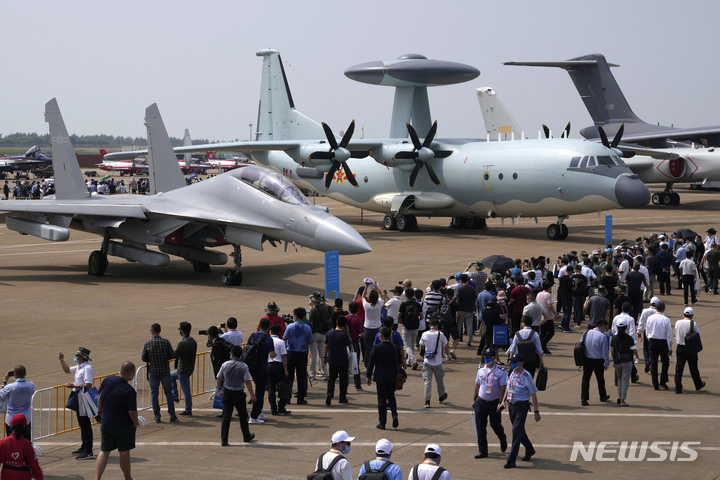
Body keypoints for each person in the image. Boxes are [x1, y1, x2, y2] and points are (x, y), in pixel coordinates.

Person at [94, 361, 138, 480]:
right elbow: (132, 412)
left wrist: (99, 413)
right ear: (129, 374)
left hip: (106, 422)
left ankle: (97, 478)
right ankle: (128, 478)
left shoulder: (108, 380)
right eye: (134, 372)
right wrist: (135, 423)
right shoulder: (129, 391)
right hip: (123, 426)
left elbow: (100, 398)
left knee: (104, 451)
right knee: (124, 452)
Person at [499, 354, 541, 469]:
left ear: (521, 363)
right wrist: (503, 401)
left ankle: (511, 460)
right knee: (519, 431)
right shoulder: (512, 372)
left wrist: (536, 412)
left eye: (515, 361)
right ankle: (530, 449)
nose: (512, 363)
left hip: (522, 406)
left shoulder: (526, 376)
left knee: (516, 432)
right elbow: (508, 387)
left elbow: (533, 394)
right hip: (511, 405)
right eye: (511, 361)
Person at [59, 347, 95, 460]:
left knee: (85, 425)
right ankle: (84, 447)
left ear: (82, 357)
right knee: (82, 423)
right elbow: (67, 370)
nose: (76, 357)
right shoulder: (80, 367)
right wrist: (61, 360)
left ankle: (88, 451)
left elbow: (88, 385)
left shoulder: (87, 368)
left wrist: (74, 386)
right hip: (78, 395)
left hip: (82, 396)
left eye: (78, 356)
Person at [216, 345, 257, 445]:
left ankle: (224, 439)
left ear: (232, 354)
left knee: (226, 417)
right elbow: (247, 381)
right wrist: (252, 395)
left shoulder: (225, 364)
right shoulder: (243, 366)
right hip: (238, 393)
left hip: (228, 392)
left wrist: (219, 390)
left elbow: (219, 377)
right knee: (243, 416)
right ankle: (246, 436)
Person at [472, 348, 508, 459]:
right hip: (482, 402)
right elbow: (477, 385)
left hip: (494, 402)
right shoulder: (481, 370)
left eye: (489, 357)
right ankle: (483, 451)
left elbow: (503, 387)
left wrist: (500, 402)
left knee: (495, 424)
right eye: (485, 357)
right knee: (480, 427)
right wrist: (474, 399)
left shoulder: (501, 371)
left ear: (494, 358)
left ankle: (502, 438)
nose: (487, 359)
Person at [366, 327, 403, 430]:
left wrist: (368, 375)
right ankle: (394, 415)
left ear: (380, 336)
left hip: (380, 377)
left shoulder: (376, 348)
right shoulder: (394, 347)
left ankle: (382, 422)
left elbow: (371, 363)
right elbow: (399, 361)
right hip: (392, 376)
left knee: (381, 400)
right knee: (391, 396)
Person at [141, 323, 177, 424]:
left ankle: (157, 416)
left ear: (152, 331)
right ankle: (172, 415)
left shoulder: (148, 343)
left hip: (153, 371)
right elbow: (172, 355)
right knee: (168, 393)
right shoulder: (165, 342)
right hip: (165, 371)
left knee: (154, 394)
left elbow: (144, 358)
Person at [248, 318, 276, 424]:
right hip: (262, 368)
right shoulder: (268, 339)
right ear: (268, 327)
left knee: (258, 390)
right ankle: (254, 416)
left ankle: (258, 411)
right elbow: (272, 354)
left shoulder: (252, 335)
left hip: (252, 367)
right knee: (259, 392)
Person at [284, 307, 314, 405]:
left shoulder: (290, 326)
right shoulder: (307, 327)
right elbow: (310, 341)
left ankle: (287, 398)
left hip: (291, 353)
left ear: (295, 316)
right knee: (301, 377)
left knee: (289, 376)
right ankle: (300, 399)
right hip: (302, 353)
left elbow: (284, 338)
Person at [0, 414, 44, 479]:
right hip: (23, 476)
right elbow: (34, 465)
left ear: (11, 426)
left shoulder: (3, 442)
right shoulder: (27, 444)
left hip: (7, 476)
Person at [674, 307, 706, 393]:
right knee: (693, 368)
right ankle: (698, 384)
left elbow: (675, 332)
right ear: (692, 315)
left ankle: (678, 387)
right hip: (690, 348)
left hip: (680, 347)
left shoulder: (678, 322)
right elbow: (698, 334)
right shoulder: (693, 324)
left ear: (684, 314)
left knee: (679, 368)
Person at [419, 318, 449, 408]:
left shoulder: (424, 334)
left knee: (427, 381)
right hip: (437, 362)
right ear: (437, 325)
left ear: (429, 325)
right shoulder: (440, 334)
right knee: (439, 381)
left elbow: (422, 345)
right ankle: (441, 396)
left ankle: (427, 400)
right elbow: (446, 343)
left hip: (427, 361)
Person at [581, 319, 611, 406]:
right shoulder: (602, 337)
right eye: (606, 327)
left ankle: (584, 398)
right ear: (602, 326)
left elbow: (581, 344)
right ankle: (602, 395)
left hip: (587, 359)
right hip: (598, 361)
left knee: (586, 379)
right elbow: (605, 352)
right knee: (600, 379)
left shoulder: (586, 333)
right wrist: (607, 363)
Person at [324, 316, 352, 406]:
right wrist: (348, 333)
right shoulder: (344, 335)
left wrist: (325, 356)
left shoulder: (329, 333)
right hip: (343, 360)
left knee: (332, 378)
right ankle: (342, 397)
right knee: (343, 379)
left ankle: (329, 393)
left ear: (336, 322)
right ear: (345, 325)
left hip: (332, 359)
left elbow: (326, 346)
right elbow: (350, 345)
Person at [1, 366, 35, 439]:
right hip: (25, 419)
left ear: (14, 375)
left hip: (11, 419)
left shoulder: (9, 387)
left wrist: (4, 382)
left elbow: (1, 395)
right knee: (26, 442)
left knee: (11, 442)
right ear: (25, 374)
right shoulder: (31, 385)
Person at [170, 322, 197, 416]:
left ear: (181, 331)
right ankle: (175, 395)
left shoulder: (183, 343)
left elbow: (174, 354)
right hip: (189, 367)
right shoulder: (193, 341)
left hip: (182, 369)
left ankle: (188, 409)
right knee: (171, 376)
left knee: (186, 391)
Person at [646, 301, 673, 390]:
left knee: (653, 363)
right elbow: (669, 335)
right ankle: (663, 380)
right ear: (663, 309)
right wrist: (670, 347)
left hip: (652, 342)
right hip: (662, 342)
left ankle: (655, 384)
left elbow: (647, 331)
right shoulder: (666, 319)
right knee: (665, 362)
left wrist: (649, 340)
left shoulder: (650, 318)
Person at [610, 321, 637, 406]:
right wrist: (637, 357)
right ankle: (622, 400)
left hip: (618, 361)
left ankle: (619, 395)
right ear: (625, 327)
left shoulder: (614, 338)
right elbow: (633, 349)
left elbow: (612, 351)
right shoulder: (629, 338)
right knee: (625, 380)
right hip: (627, 361)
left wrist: (614, 360)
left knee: (620, 379)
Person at [267, 323, 290, 415]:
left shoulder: (267, 341)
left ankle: (273, 408)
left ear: (270, 331)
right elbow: (284, 357)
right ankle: (281, 406)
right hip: (278, 365)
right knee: (284, 386)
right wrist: (285, 370)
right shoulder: (281, 342)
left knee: (271, 388)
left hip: (268, 365)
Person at [309, 291, 332, 380]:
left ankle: (312, 374)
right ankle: (325, 373)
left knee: (313, 356)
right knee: (322, 355)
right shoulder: (325, 308)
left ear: (313, 300)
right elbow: (329, 320)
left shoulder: (313, 310)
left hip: (315, 334)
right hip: (323, 334)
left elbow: (311, 323)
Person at [362, 280, 385, 366]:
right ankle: (378, 364)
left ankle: (368, 365)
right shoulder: (379, 305)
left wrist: (366, 286)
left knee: (368, 349)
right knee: (378, 347)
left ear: (370, 299)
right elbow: (380, 293)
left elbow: (363, 296)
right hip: (377, 328)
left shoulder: (366, 306)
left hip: (367, 328)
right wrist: (375, 286)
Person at [397, 288, 421, 370]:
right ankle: (409, 361)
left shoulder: (403, 304)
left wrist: (401, 320)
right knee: (412, 344)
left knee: (407, 345)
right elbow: (421, 317)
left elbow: (398, 316)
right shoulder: (417, 304)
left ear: (406, 295)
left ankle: (413, 361)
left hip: (406, 326)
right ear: (413, 295)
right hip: (416, 326)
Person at [345, 301, 365, 390]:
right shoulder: (359, 320)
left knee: (345, 365)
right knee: (355, 365)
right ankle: (358, 385)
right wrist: (358, 337)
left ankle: (345, 385)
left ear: (349, 309)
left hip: (345, 344)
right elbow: (362, 334)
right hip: (355, 344)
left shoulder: (345, 318)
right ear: (357, 310)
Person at [455, 273, 477, 346]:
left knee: (459, 326)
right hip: (469, 309)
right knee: (469, 326)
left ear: (460, 280)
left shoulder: (459, 288)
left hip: (460, 309)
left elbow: (457, 298)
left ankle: (457, 340)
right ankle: (469, 341)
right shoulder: (471, 288)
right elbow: (474, 298)